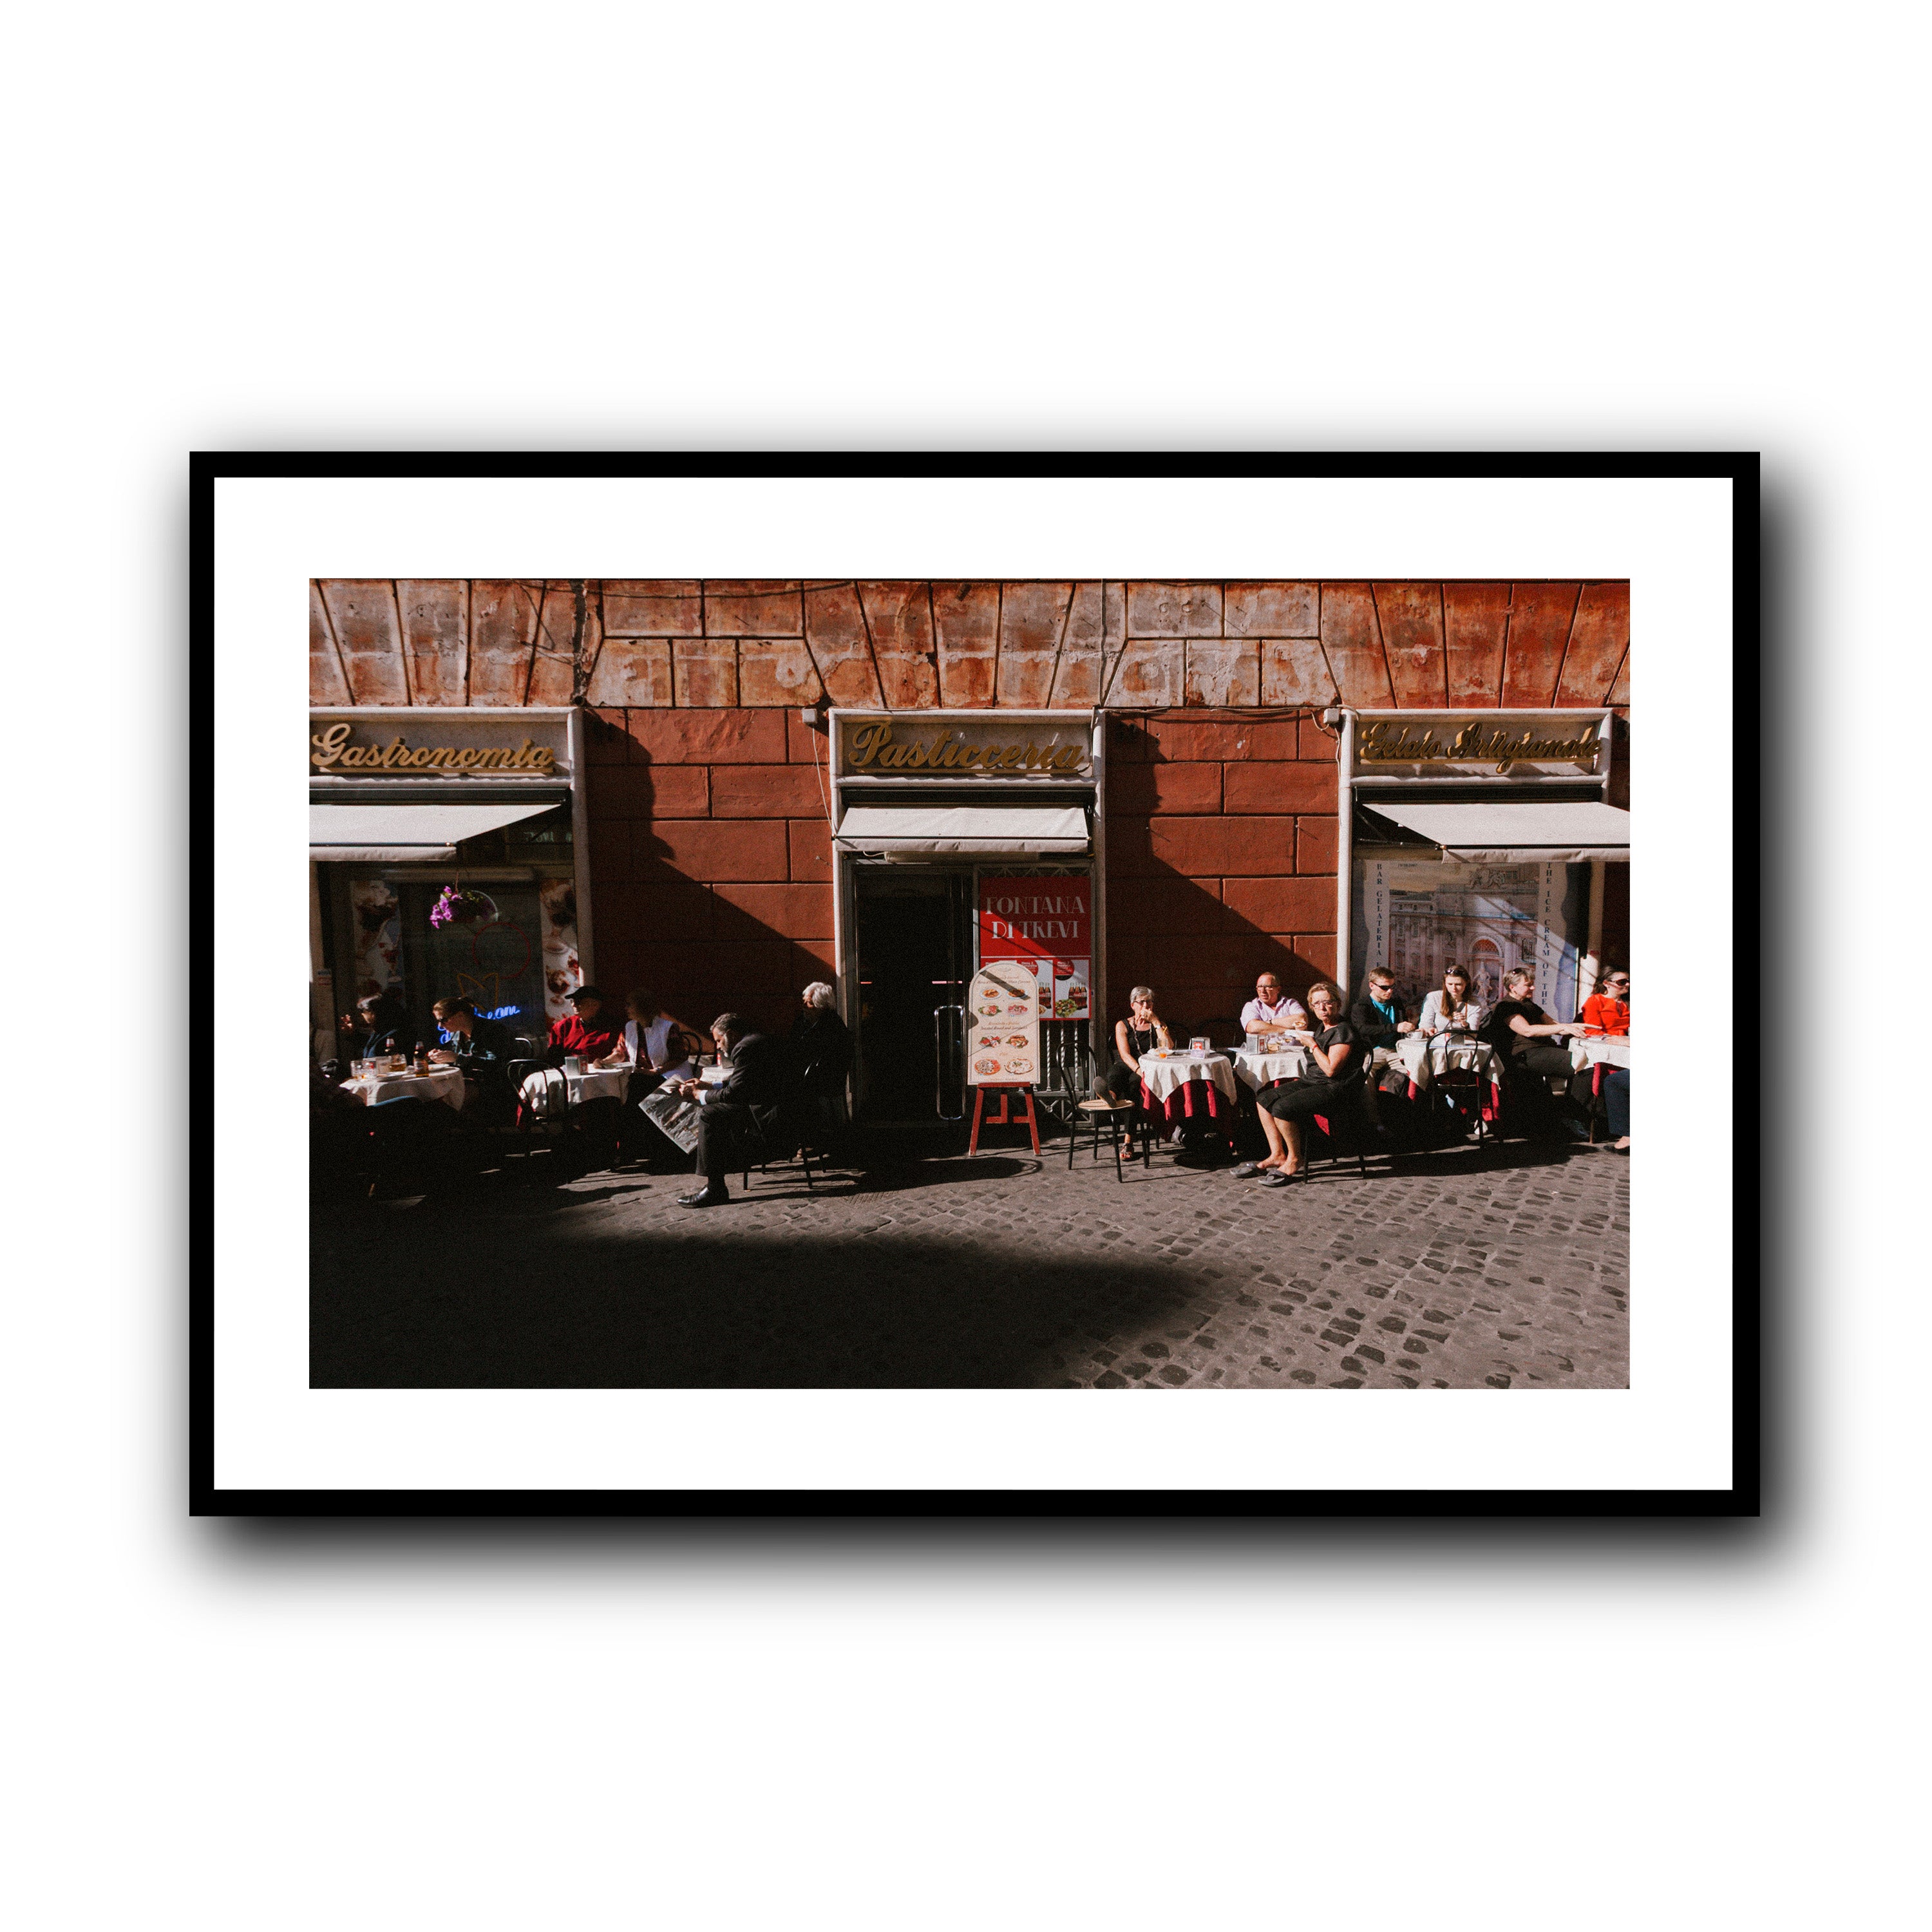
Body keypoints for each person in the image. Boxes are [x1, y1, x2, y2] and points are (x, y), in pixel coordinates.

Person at [1234, 980, 1363, 1186]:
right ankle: (1277, 1154)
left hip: (1335, 1088)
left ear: (1337, 1004)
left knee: (1283, 1108)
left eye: (1328, 1002)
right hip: (1313, 1082)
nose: (1322, 1007)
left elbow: (1331, 1070)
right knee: (1264, 1099)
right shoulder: (1323, 1027)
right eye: (1317, 1003)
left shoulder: (1344, 1031)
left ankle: (1294, 1159)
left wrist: (1312, 1045)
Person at [667, 1014, 789, 1208]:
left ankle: (715, 1188)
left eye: (718, 1040)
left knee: (709, 1115)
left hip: (769, 1113)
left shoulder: (745, 1047)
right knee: (716, 1111)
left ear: (730, 1034)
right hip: (773, 1104)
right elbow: (744, 1081)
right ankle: (722, 1171)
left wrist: (699, 1094)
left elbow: (735, 1094)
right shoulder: (756, 1039)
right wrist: (709, 1085)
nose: (717, 1046)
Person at [1479, 966, 1589, 1139]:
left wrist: (1574, 1027)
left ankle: (1574, 1115)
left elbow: (1553, 1025)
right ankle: (1573, 1116)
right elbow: (1527, 1031)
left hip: (1542, 1050)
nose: (1533, 988)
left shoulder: (1529, 1004)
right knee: (1581, 1065)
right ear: (1512, 987)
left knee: (1586, 1064)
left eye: (1533, 984)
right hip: (1526, 1054)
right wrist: (1562, 1028)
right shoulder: (1506, 1006)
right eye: (1528, 985)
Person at [428, 995, 516, 1123]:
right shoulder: (458, 1034)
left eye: (443, 1020)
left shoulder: (493, 1030)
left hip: (495, 1083)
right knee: (432, 1097)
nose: (441, 1026)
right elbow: (450, 1055)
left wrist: (457, 1058)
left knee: (447, 1101)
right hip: (467, 1081)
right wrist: (436, 1057)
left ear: (460, 1015)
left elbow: (496, 1065)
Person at [790, 981, 853, 1143]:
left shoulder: (833, 1027)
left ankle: (810, 1138)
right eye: (805, 1000)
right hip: (805, 1075)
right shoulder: (802, 1022)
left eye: (809, 1003)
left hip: (823, 1080)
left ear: (822, 1006)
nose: (804, 1005)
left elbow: (832, 1059)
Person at [1103, 986, 1173, 1103]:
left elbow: (1169, 1046)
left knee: (1135, 1082)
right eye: (1141, 1002)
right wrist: (1139, 1070)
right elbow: (1125, 1055)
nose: (1146, 1006)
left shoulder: (1159, 1025)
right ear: (1133, 1005)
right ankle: (1110, 1098)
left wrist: (1155, 1022)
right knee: (1115, 1073)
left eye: (1149, 1002)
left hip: (1151, 1064)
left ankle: (1134, 1118)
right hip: (1129, 1063)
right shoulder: (1123, 1025)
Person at [545, 982, 623, 1066]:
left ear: (595, 1005)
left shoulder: (612, 1027)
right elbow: (553, 1058)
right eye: (572, 1001)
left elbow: (620, 1054)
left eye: (578, 1002)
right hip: (570, 1073)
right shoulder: (563, 1027)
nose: (573, 1005)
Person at [342, 989, 411, 1063]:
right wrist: (353, 1034)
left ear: (373, 1013)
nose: (362, 1015)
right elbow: (371, 1045)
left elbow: (378, 1049)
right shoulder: (380, 1031)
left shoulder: (395, 1034)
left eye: (363, 1011)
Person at [1239, 972, 1307, 1043]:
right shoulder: (1251, 1006)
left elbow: (1302, 1019)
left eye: (1268, 987)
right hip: (1264, 1053)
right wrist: (1289, 1031)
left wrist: (1269, 1023)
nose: (1263, 991)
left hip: (1294, 1052)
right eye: (1259, 987)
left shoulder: (1290, 1003)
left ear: (1278, 989)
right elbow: (1253, 1028)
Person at [1417, 963, 1484, 1036]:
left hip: (1461, 1044)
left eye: (1458, 984)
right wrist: (1427, 1030)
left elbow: (1473, 1036)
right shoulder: (1433, 997)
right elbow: (1425, 1024)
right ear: (1445, 984)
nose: (1454, 988)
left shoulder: (1475, 1005)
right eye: (1450, 984)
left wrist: (1465, 1025)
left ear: (1466, 984)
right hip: (1436, 1041)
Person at [1580, 969, 1631, 1035]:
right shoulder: (1595, 1001)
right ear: (1606, 984)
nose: (1628, 984)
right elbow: (1593, 1031)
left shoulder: (1627, 1001)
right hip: (1604, 1042)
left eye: (1628, 981)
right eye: (1622, 982)